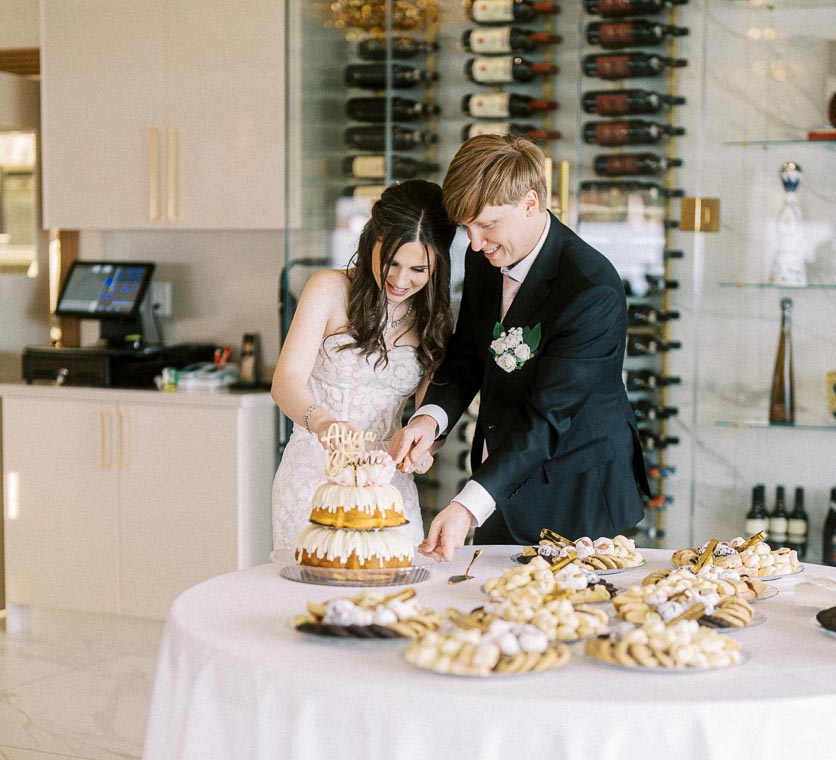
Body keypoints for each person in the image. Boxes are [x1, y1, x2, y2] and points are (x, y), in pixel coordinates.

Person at [390, 135, 649, 560]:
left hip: (576, 498)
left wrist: (466, 507)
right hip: (499, 486)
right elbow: (469, 353)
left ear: (530, 203)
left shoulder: (590, 290)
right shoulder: (485, 257)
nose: (475, 244)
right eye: (467, 228)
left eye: (486, 225)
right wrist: (428, 420)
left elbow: (547, 420)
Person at [271, 179, 455, 552]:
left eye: (418, 269)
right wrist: (324, 423)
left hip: (387, 489)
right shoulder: (328, 288)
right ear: (371, 240)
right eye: (391, 263)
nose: (400, 280)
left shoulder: (433, 318)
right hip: (313, 479)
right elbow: (286, 381)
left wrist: (422, 450)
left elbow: (430, 415)